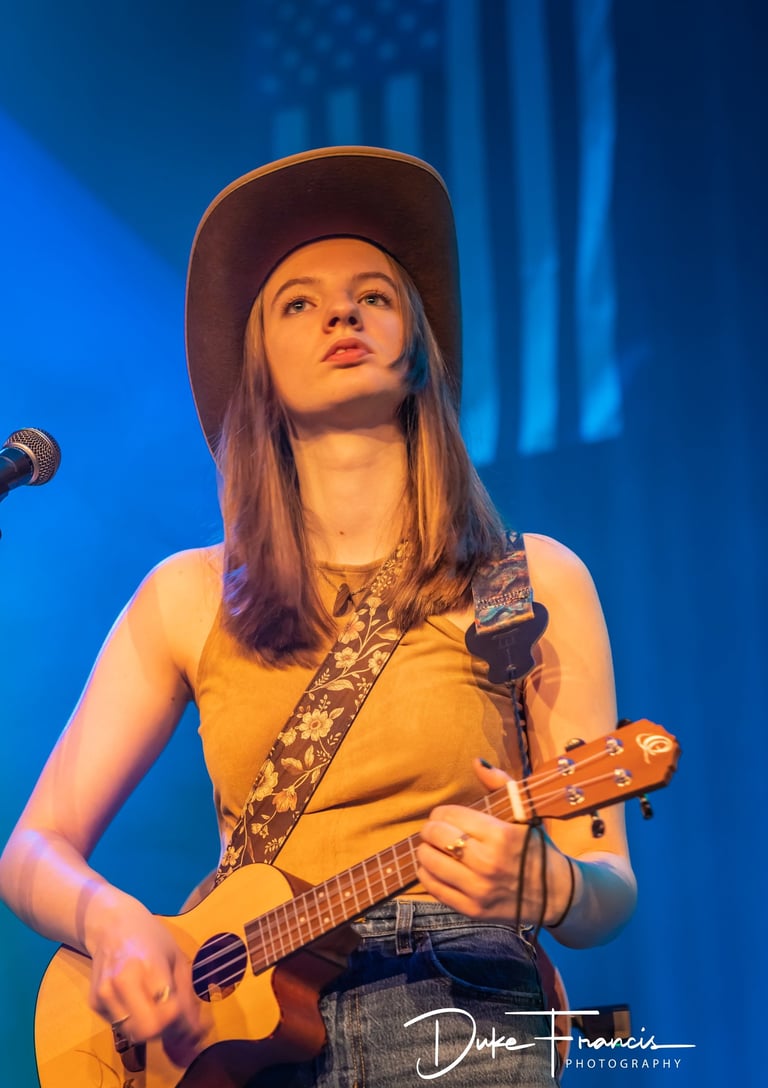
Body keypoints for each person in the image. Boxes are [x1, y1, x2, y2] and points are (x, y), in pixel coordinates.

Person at [0, 147, 636, 1087]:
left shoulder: (528, 578)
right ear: (257, 363)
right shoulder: (188, 594)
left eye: (374, 295)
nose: (342, 313)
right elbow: (32, 849)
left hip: (456, 999)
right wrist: (114, 923)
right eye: (298, 303)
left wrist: (553, 886)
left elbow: (608, 882)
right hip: (236, 1029)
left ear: (417, 347)